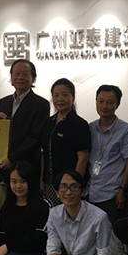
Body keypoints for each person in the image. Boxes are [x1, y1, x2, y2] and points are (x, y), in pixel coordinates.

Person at [0, 59, 49, 207]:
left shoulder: (41, 104)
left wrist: (11, 158)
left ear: (33, 78)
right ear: (11, 77)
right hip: (2, 170)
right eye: (16, 74)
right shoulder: (3, 102)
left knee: (26, 210)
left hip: (26, 170)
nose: (20, 77)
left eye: (25, 74)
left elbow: (35, 138)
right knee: (4, 210)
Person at [86, 85, 128, 224]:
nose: (104, 106)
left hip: (112, 194)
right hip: (90, 192)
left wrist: (122, 190)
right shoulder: (90, 127)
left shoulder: (126, 130)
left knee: (111, 233)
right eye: (100, 101)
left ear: (117, 104)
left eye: (109, 102)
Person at [40, 78, 91, 207]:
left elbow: (83, 159)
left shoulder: (79, 124)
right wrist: (41, 180)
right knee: (53, 214)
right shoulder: (48, 122)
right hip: (50, 183)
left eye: (65, 95)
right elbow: (43, 153)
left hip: (68, 186)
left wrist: (75, 185)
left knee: (69, 213)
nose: (60, 99)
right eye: (56, 95)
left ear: (73, 97)